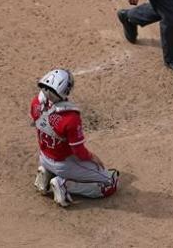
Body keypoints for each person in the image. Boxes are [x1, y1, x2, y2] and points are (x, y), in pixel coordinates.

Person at [30, 68, 119, 207]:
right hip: (63, 164)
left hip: (43, 156)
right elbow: (79, 152)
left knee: (58, 158)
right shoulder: (70, 117)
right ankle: (64, 185)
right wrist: (92, 157)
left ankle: (47, 174)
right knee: (110, 183)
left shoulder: (35, 103)